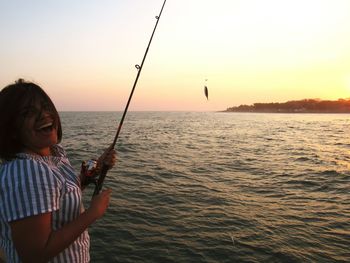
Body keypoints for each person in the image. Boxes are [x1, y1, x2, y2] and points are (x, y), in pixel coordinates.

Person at [0, 79, 116, 262]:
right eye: (28, 113)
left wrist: (97, 166)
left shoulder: (53, 152)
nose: (44, 115)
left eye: (45, 107)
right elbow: (35, 254)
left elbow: (58, 193)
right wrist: (92, 213)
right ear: (11, 129)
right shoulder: (28, 171)